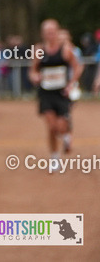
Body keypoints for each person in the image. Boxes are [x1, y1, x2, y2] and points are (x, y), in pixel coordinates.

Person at [28, 19, 82, 165]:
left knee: (61, 126)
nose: (50, 35)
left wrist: (71, 84)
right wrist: (35, 77)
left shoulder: (65, 49)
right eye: (47, 33)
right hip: (46, 93)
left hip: (62, 93)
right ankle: (54, 157)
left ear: (57, 33)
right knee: (52, 127)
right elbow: (32, 70)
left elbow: (77, 67)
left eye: (52, 32)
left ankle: (66, 135)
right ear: (43, 34)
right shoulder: (39, 50)